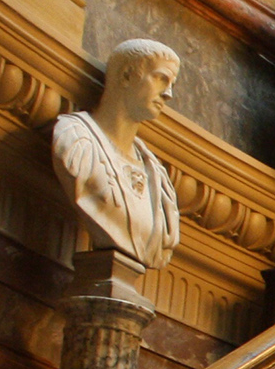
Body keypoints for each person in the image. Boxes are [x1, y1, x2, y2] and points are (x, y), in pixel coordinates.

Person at [51, 39, 182, 276]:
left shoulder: (158, 177)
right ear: (126, 76)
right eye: (161, 78)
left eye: (172, 83)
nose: (168, 94)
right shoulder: (76, 140)